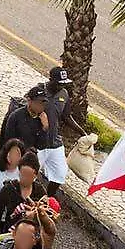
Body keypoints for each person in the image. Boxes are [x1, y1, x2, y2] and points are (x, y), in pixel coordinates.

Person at [0, 152, 46, 239]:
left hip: (30, 237)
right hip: (9, 234)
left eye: (28, 176)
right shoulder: (9, 189)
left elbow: (45, 219)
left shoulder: (40, 192)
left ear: (35, 175)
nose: (24, 179)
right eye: (22, 175)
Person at [38, 66, 73, 198]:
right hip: (38, 143)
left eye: (63, 84)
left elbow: (67, 117)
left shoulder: (64, 94)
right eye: (58, 83)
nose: (61, 87)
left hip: (54, 142)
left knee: (60, 173)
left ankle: (46, 199)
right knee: (30, 173)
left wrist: (82, 133)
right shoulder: (39, 90)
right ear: (51, 79)